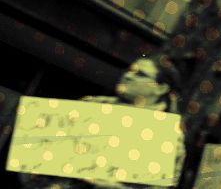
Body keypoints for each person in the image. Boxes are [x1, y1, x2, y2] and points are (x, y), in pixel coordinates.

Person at [19, 56, 185, 189]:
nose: (127, 76)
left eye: (140, 74)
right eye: (129, 71)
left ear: (161, 88)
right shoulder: (90, 106)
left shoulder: (169, 140)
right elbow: (31, 162)